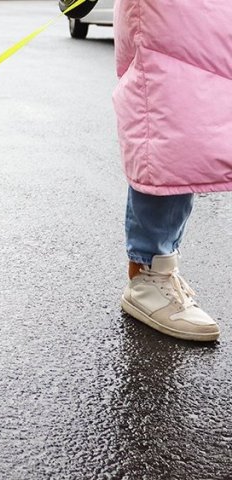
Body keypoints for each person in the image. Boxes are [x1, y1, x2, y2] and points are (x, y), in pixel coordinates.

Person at [112, 0, 232, 342]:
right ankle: (150, 273)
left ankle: (154, 267)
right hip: (169, 22)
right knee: (171, 138)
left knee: (192, 138)